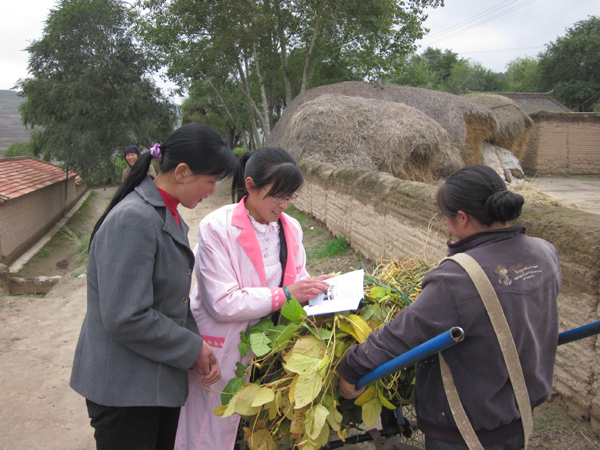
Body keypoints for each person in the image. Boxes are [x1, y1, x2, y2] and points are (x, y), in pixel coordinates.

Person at [338, 165, 562, 450]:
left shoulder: (458, 278)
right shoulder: (545, 253)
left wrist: (352, 367)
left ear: (463, 218)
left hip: (466, 429)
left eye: (447, 219)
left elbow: (401, 335)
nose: (447, 227)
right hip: (519, 412)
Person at [70, 123, 238, 450]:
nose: (212, 190)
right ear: (183, 172)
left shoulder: (167, 214)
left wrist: (195, 341)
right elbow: (126, 315)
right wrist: (191, 347)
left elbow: (171, 300)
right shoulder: (134, 219)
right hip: (125, 390)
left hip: (152, 383)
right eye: (211, 180)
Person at [175, 147, 333, 450]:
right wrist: (286, 295)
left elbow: (295, 275)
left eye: (290, 197)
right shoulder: (217, 227)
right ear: (250, 185)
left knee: (256, 429)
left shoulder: (291, 227)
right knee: (207, 431)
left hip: (269, 349)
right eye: (276, 196)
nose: (283, 205)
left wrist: (316, 286)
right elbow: (222, 302)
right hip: (224, 348)